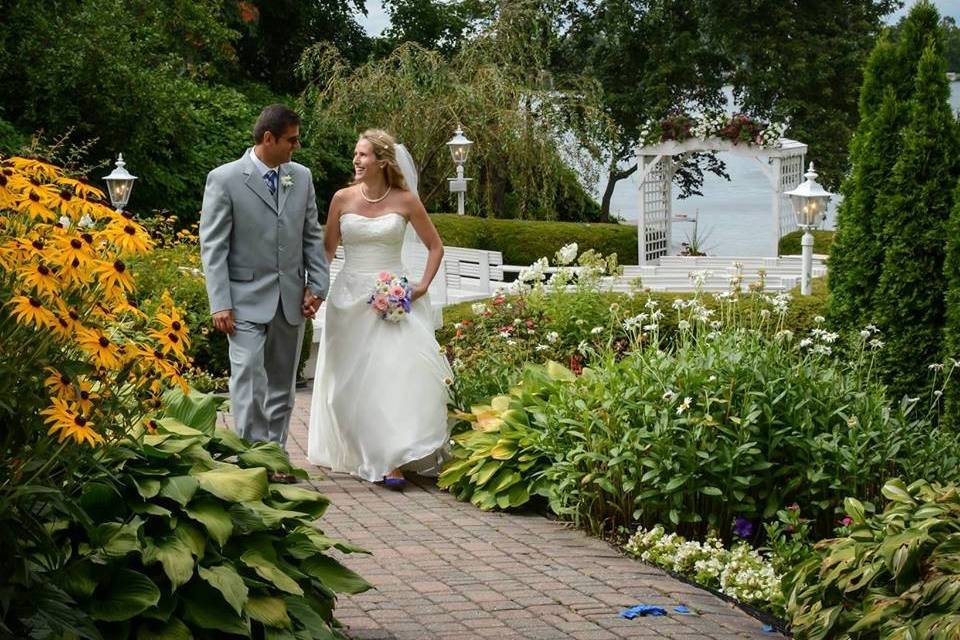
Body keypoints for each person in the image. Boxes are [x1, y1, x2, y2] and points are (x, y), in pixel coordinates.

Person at [307, 129, 452, 489]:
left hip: (394, 300)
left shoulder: (405, 200)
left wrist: (420, 287)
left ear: (383, 162)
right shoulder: (341, 199)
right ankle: (361, 449)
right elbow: (326, 253)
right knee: (348, 383)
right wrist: (315, 291)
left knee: (393, 376)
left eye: (363, 155)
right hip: (348, 300)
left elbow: (436, 246)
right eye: (356, 154)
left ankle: (390, 459)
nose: (356, 161)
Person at [199, 104, 328, 482]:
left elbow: (311, 236)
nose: (297, 147)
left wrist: (317, 286)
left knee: (282, 385)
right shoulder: (224, 179)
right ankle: (251, 457)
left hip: (290, 301)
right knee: (249, 379)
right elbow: (214, 246)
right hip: (242, 302)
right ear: (268, 138)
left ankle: (274, 458)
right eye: (291, 140)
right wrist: (219, 301)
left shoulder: (300, 177)